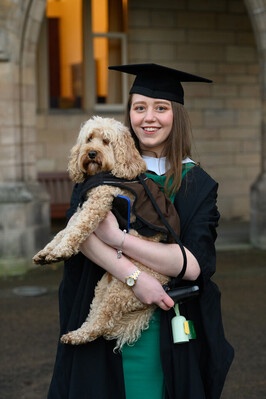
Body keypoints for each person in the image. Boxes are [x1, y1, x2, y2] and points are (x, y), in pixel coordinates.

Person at [47, 63, 234, 399]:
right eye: (139, 107)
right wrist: (135, 278)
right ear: (129, 113)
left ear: (176, 115)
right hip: (101, 320)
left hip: (165, 326)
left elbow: (193, 264)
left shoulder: (197, 184)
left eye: (160, 108)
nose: (149, 117)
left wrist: (118, 239)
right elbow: (81, 233)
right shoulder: (102, 168)